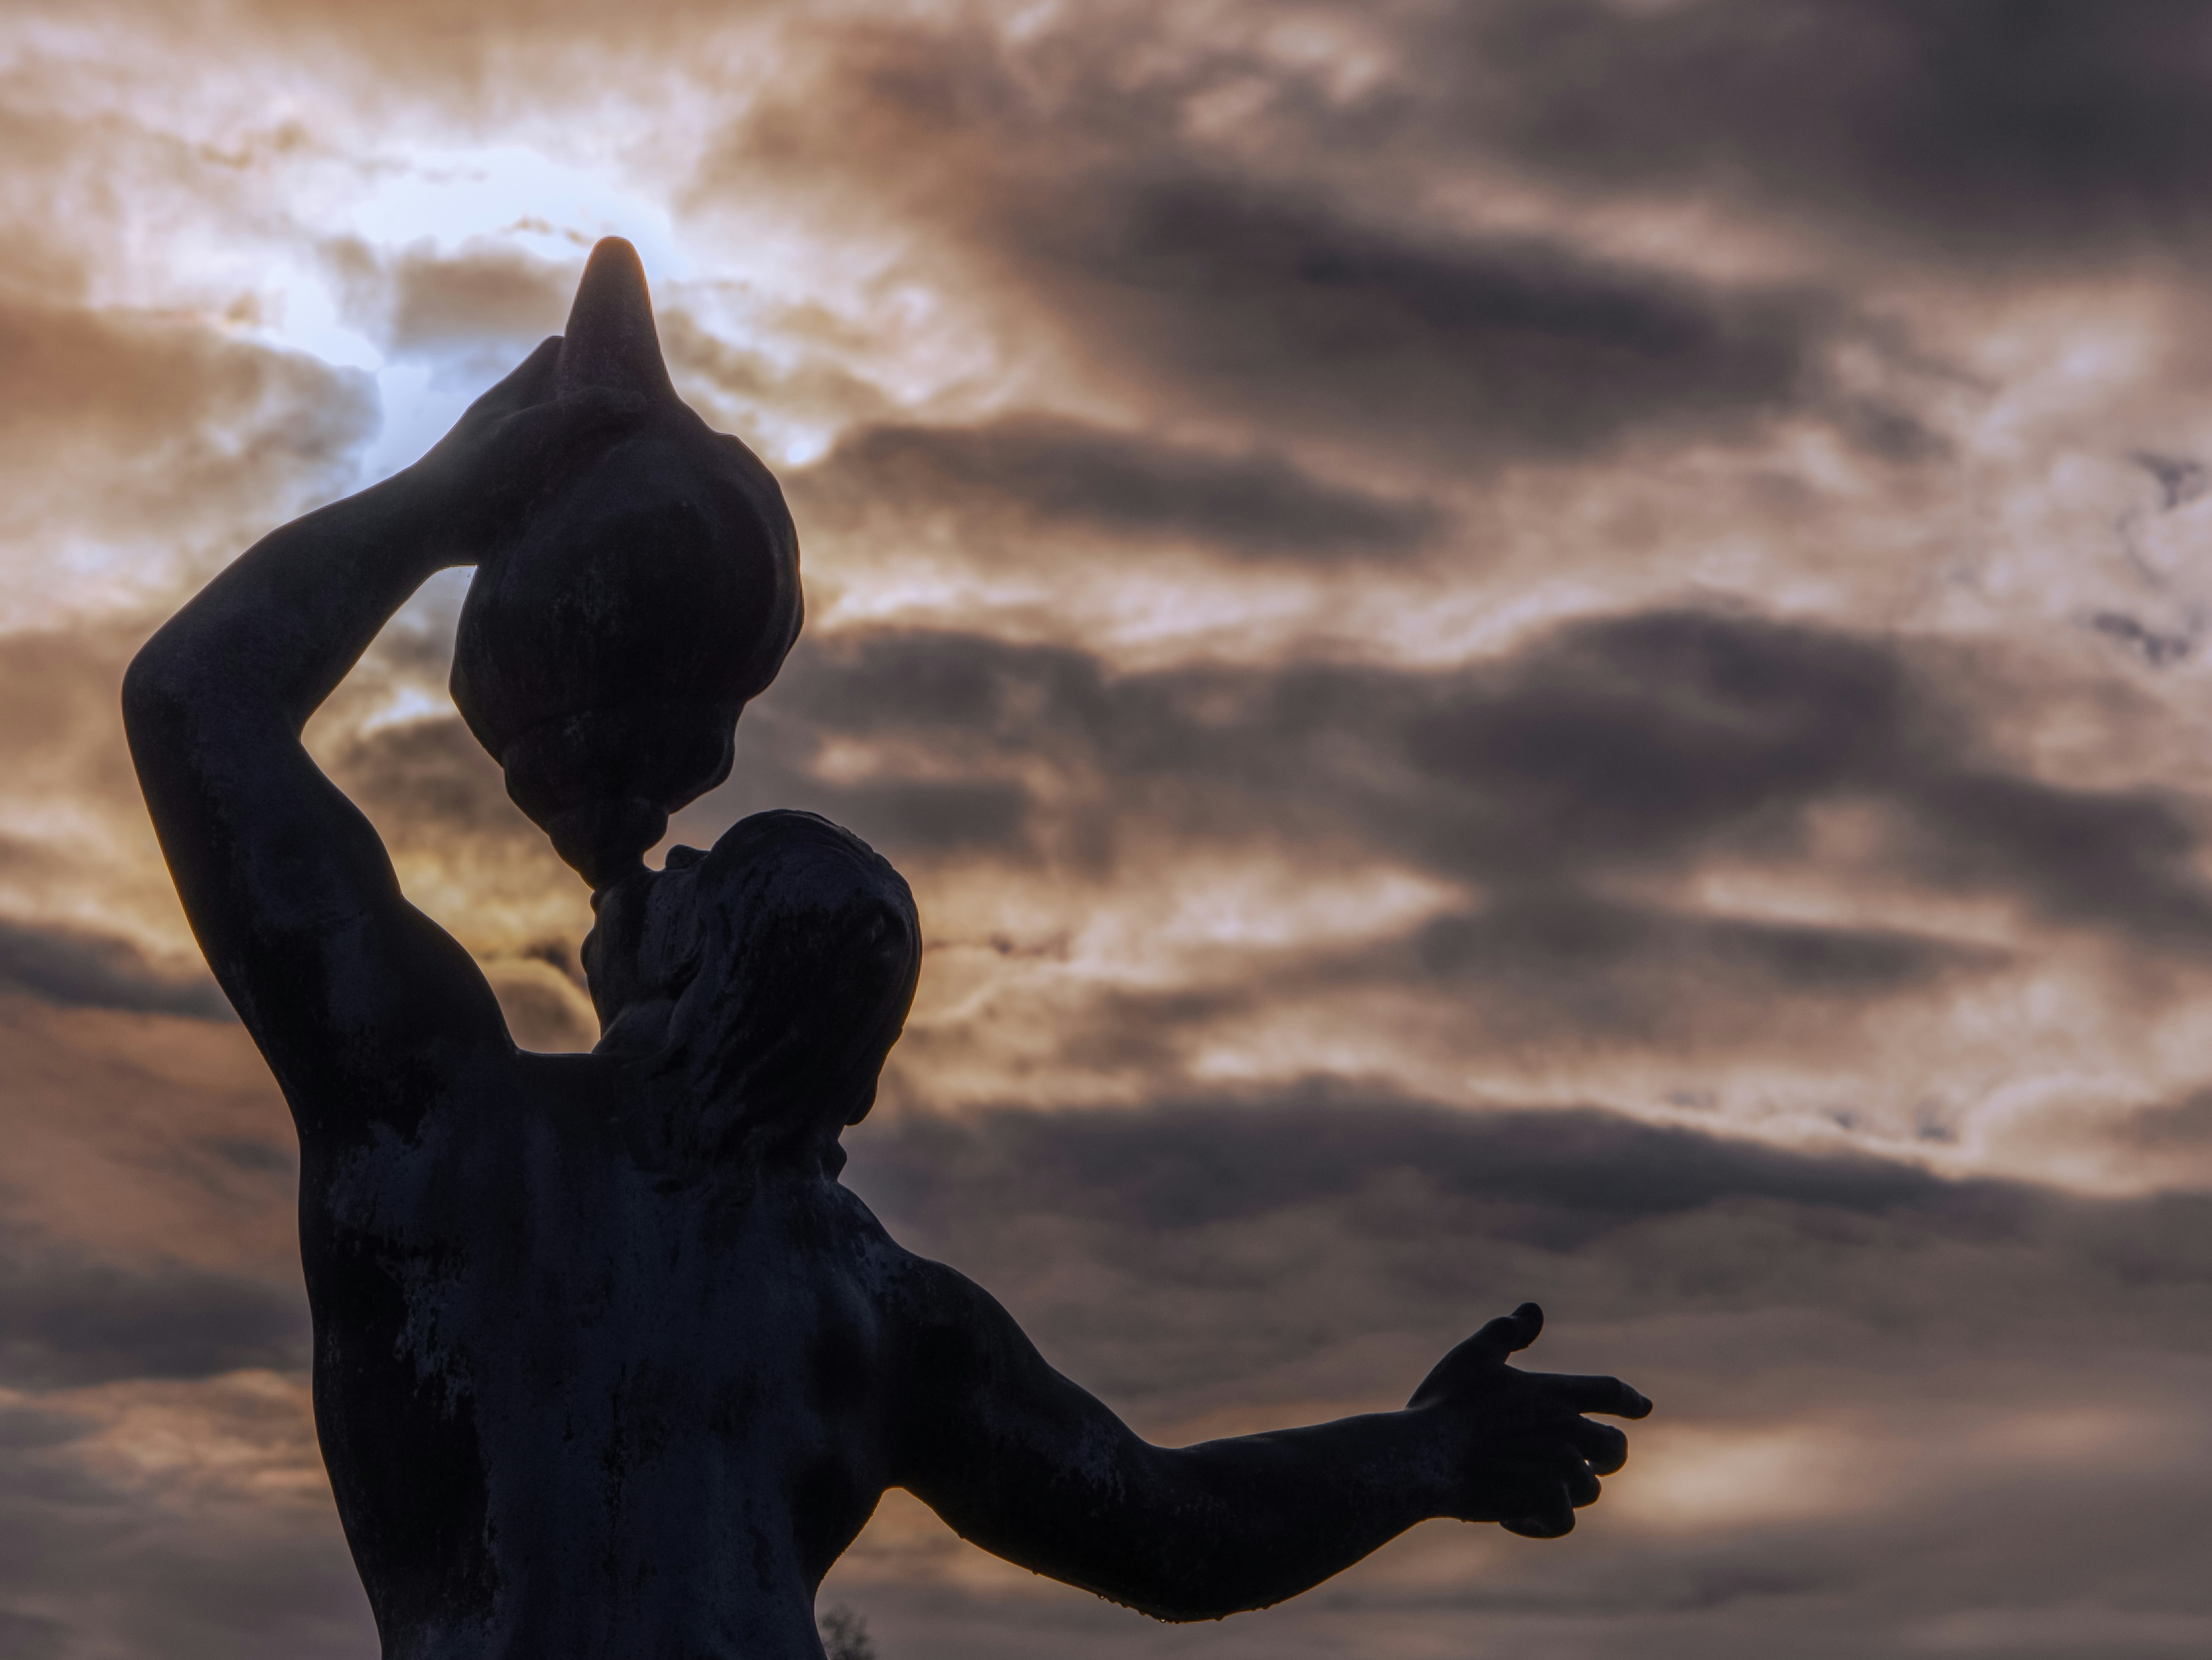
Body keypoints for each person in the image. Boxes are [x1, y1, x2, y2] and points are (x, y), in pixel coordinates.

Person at [123, 344, 1653, 1659]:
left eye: (692, 890)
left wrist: (452, 498)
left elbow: (197, 702)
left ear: (705, 985)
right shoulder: (874, 1306)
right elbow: (1179, 1529)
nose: (643, 884)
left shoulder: (448, 1121)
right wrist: (1429, 1452)